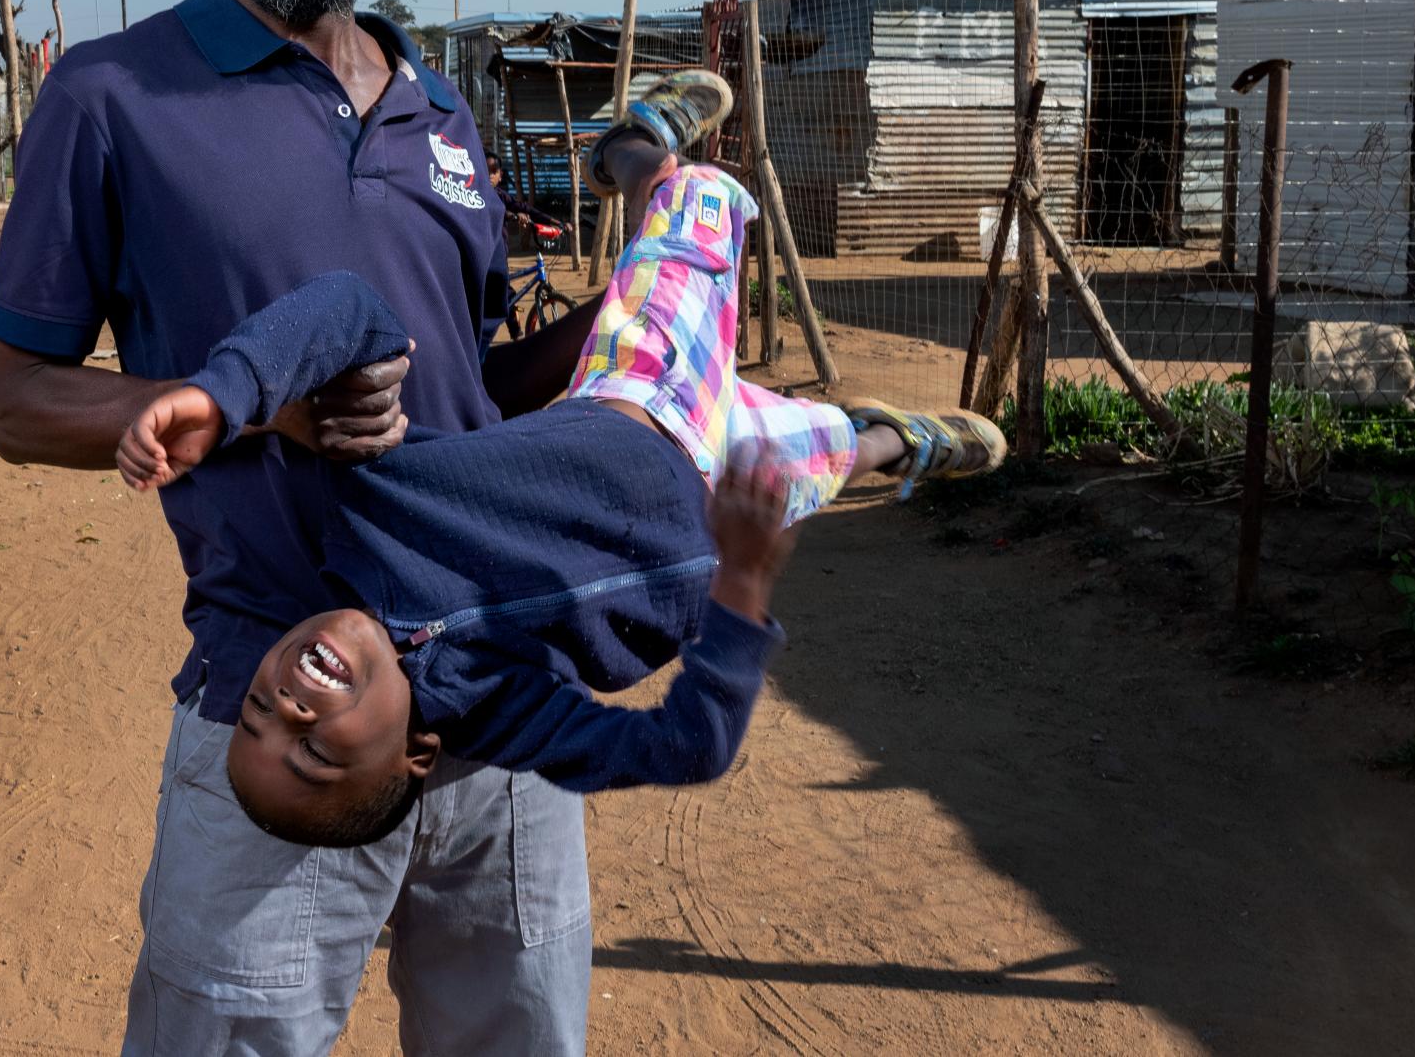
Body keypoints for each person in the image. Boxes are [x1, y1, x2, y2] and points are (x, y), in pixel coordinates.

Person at [0, 0, 612, 1054]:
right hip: (274, 707)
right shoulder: (110, 97)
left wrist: (633, 316)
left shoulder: (438, 104)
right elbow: (20, 399)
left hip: (496, 697)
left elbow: (478, 389)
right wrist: (255, 404)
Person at [114, 98, 1004, 845]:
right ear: (417, 758)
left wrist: (224, 394)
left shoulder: (366, 507)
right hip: (731, 499)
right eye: (310, 753)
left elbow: (352, 309)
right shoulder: (506, 715)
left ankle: (636, 146)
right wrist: (740, 593)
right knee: (829, 454)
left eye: (257, 716)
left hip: (651, 391)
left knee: (700, 206)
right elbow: (683, 750)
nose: (282, 712)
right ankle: (904, 442)